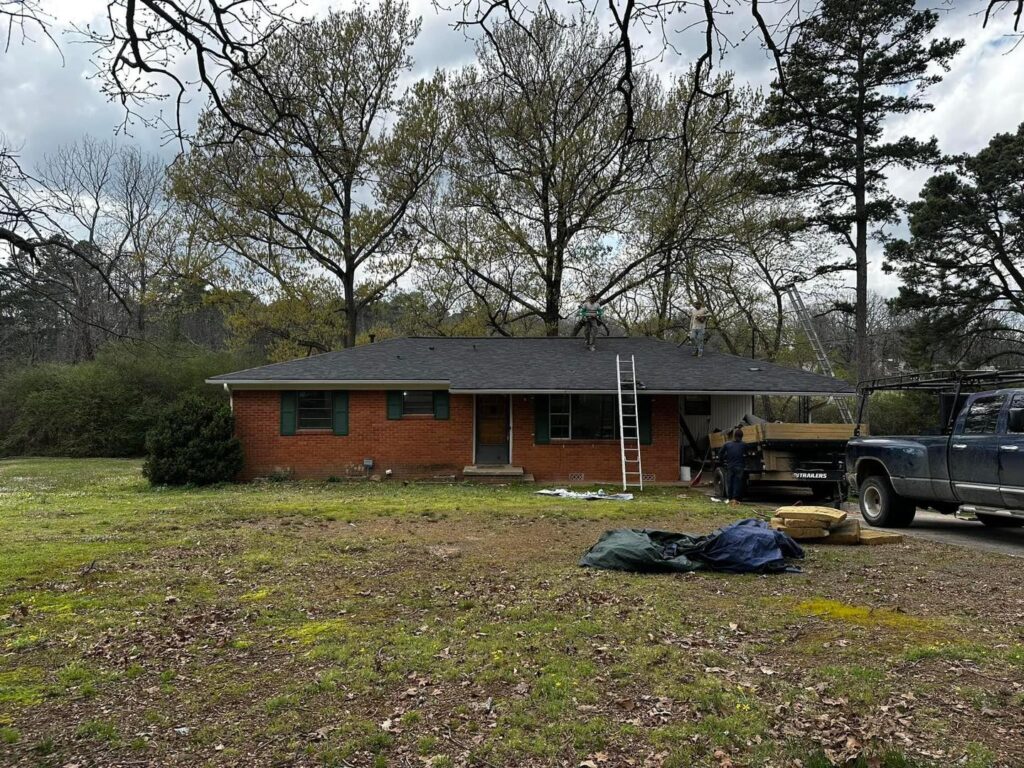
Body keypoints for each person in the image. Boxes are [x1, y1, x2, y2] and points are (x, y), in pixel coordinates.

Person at [718, 428, 746, 505]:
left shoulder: (727, 444)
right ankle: (736, 498)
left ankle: (730, 498)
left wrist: (722, 462)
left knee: (730, 482)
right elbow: (746, 454)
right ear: (742, 436)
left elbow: (720, 453)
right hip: (740, 466)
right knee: (738, 482)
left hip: (730, 466)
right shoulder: (744, 445)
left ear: (734, 436)